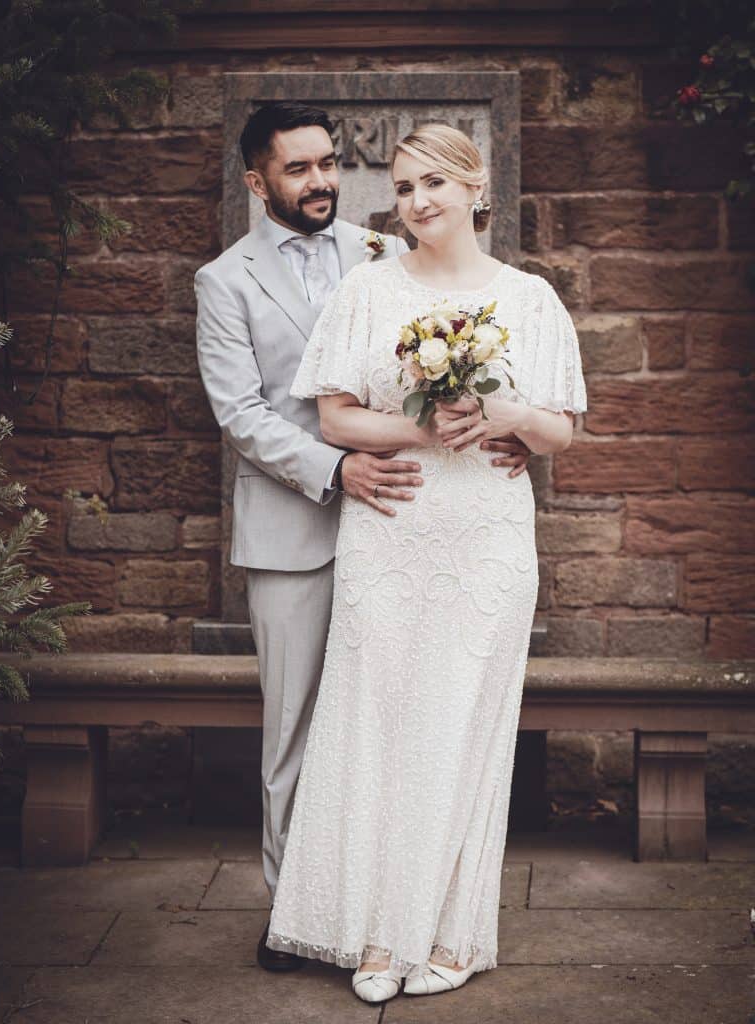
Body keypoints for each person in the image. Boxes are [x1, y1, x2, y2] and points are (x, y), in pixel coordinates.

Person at [194, 104, 532, 974]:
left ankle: (387, 904)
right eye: (298, 169)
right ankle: (296, 917)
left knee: (390, 723)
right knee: (301, 732)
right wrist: (337, 470)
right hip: (298, 523)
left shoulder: (379, 254)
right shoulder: (224, 281)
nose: (320, 182)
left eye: (328, 164)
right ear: (255, 180)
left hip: (407, 524)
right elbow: (242, 416)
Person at [266, 123, 587, 1003]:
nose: (418, 203)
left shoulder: (530, 299)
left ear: (478, 189)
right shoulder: (368, 292)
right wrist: (424, 426)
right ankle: (375, 933)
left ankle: (449, 929)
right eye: (404, 188)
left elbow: (560, 430)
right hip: (394, 527)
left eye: (435, 184)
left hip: (485, 539)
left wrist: (510, 412)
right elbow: (334, 418)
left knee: (461, 730)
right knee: (377, 722)